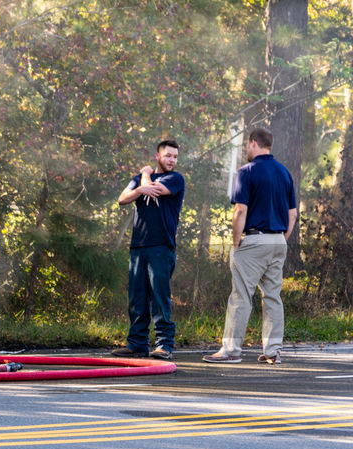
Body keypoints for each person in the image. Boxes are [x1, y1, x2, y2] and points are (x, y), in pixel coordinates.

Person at [203, 127, 297, 364]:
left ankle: (231, 350)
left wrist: (236, 243)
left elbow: (240, 210)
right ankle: (273, 351)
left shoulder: (246, 171)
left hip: (254, 239)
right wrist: (280, 239)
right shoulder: (284, 172)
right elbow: (293, 214)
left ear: (253, 143)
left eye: (247, 145)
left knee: (241, 296)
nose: (246, 149)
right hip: (278, 240)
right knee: (273, 297)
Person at [111, 139, 185, 361]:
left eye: (175, 157)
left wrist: (144, 176)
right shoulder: (137, 181)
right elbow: (122, 199)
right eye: (168, 156)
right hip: (138, 246)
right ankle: (136, 344)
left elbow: (153, 189)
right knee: (137, 297)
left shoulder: (175, 179)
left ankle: (164, 345)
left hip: (161, 246)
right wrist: (140, 186)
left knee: (160, 297)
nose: (172, 160)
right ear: (158, 156)